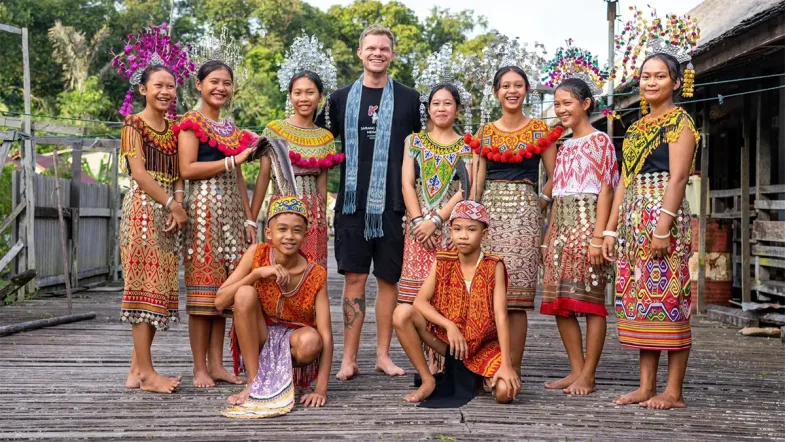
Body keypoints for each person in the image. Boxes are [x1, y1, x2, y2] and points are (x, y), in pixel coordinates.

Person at [316, 24, 421, 380]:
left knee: (389, 281)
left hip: (395, 205)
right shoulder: (340, 99)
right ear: (359, 53)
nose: (377, 53)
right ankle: (348, 358)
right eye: (371, 48)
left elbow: (426, 148)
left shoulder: (410, 99)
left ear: (392, 54)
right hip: (352, 205)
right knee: (355, 281)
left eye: (384, 49)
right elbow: (315, 142)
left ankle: (383, 355)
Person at [602, 53, 699, 410]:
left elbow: (677, 177)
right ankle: (645, 386)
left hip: (663, 217)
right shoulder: (638, 127)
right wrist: (610, 230)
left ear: (676, 82)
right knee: (643, 302)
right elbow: (624, 181)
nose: (651, 82)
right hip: (633, 219)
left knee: (669, 299)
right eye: (646, 76)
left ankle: (673, 391)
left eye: (660, 76)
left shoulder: (681, 122)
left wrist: (662, 227)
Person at [472, 65, 561, 376]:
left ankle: (513, 369)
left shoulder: (540, 130)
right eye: (506, 85)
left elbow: (555, 175)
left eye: (518, 85)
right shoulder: (484, 133)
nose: (512, 91)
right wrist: (471, 219)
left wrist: (540, 201)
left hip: (524, 217)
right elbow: (476, 185)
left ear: (526, 91)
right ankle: (486, 366)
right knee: (486, 296)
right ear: (496, 92)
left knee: (516, 300)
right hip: (490, 219)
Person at [393, 200, 520, 405]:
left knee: (505, 393)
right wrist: (449, 325)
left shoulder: (493, 265)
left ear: (484, 234)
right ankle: (428, 380)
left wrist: (506, 364)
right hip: (451, 343)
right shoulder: (444, 260)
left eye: (471, 229)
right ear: (450, 231)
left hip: (483, 345)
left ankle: (479, 374)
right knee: (402, 313)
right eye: (457, 229)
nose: (463, 235)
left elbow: (501, 315)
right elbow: (420, 302)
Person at [217, 196, 333, 417]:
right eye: (282, 229)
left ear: (305, 235)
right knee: (244, 293)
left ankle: (279, 377)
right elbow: (220, 301)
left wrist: (321, 388)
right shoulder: (257, 254)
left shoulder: (316, 274)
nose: (289, 236)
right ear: (269, 233)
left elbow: (326, 335)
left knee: (311, 341)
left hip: (295, 341)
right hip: (258, 333)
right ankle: (254, 381)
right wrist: (256, 274)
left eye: (297, 230)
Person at [179, 60, 257, 388]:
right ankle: (200, 367)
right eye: (214, 81)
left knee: (223, 291)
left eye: (226, 83)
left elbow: (239, 175)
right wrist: (231, 160)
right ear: (199, 84)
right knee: (202, 290)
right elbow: (186, 168)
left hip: (231, 213)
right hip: (202, 210)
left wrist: (249, 216)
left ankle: (218, 364)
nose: (220, 88)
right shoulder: (189, 122)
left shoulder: (231, 128)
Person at [541, 77, 618, 395]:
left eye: (567, 103)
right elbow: (558, 194)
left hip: (589, 226)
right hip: (561, 229)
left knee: (591, 303)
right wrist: (548, 238)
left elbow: (607, 190)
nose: (561, 109)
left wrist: (599, 237)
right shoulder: (564, 146)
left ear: (586, 104)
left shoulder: (601, 141)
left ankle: (589, 373)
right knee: (560, 302)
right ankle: (575, 369)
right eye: (557, 104)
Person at [119, 64, 187, 394]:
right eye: (158, 85)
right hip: (143, 210)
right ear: (143, 89)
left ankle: (136, 370)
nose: (165, 92)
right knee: (142, 288)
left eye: (171, 86)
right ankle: (147, 373)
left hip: (167, 212)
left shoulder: (174, 129)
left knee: (158, 290)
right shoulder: (134, 124)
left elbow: (177, 175)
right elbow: (140, 174)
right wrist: (172, 205)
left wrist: (178, 201)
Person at [252, 69, 342, 268]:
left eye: (310, 93)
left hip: (313, 214)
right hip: (281, 208)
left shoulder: (325, 137)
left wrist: (322, 223)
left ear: (320, 97)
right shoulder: (274, 130)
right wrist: (251, 219)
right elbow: (264, 176)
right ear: (290, 96)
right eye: (298, 92)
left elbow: (322, 184)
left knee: (311, 270)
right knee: (279, 270)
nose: (303, 98)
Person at [399, 83, 471, 304]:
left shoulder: (467, 146)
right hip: (417, 230)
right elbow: (407, 183)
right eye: (436, 103)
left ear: (457, 110)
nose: (441, 108)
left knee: (446, 299)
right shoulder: (414, 141)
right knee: (411, 304)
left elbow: (465, 189)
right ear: (428, 109)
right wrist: (420, 223)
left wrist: (437, 221)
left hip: (449, 229)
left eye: (448, 103)